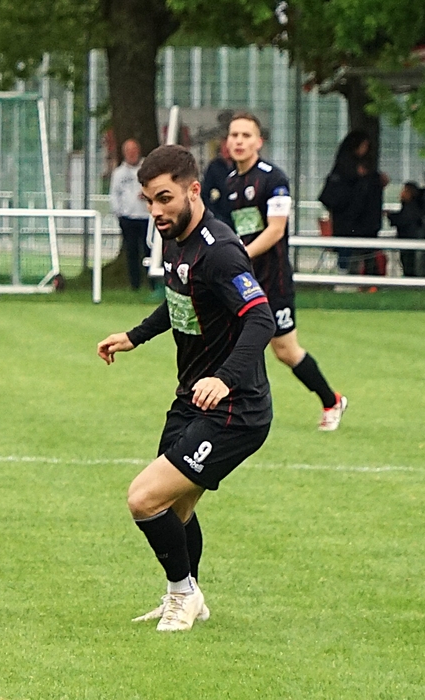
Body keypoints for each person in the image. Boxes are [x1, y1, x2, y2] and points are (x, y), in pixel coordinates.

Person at [96, 144, 276, 632]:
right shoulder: (176, 239)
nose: (155, 211)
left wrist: (224, 377)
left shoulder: (221, 251)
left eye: (164, 198)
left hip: (235, 409)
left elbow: (261, 318)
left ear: (193, 191)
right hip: (192, 398)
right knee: (174, 506)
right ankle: (189, 594)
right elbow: (180, 298)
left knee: (144, 498)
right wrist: (134, 336)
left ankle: (183, 594)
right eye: (149, 200)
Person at [225, 112, 347, 431]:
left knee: (285, 350)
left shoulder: (273, 179)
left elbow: (275, 230)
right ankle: (231, 411)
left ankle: (332, 400)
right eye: (234, 135)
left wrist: (240, 255)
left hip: (273, 281)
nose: (239, 141)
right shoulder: (230, 182)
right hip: (245, 281)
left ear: (259, 141)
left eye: (246, 135)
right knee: (235, 344)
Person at [320, 130, 387, 275]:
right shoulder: (346, 169)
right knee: (348, 252)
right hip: (350, 221)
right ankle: (346, 274)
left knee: (359, 254)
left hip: (360, 221)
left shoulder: (357, 167)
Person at [109, 139, 152, 290]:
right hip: (128, 218)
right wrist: (119, 213)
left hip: (147, 217)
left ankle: (153, 283)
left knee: (149, 250)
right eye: (129, 151)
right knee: (132, 251)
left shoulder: (148, 169)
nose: (132, 154)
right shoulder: (119, 173)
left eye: (134, 150)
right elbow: (114, 194)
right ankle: (135, 284)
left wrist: (148, 194)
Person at [386, 181, 424, 277]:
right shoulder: (415, 207)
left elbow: (404, 219)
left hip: (410, 239)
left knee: (410, 265)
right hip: (410, 239)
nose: (401, 193)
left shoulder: (411, 207)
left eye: (404, 190)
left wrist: (391, 217)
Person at [200, 138, 234, 227]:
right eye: (224, 147)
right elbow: (205, 193)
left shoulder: (240, 166)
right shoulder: (214, 166)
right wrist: (214, 215)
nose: (227, 150)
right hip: (219, 216)